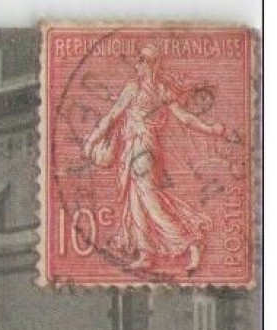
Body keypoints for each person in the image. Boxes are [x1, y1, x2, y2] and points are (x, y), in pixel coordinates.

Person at [81, 41, 226, 273]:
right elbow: (113, 117)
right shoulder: (152, 90)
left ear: (150, 65)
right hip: (133, 149)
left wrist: (210, 129)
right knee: (135, 200)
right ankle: (146, 253)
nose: (136, 65)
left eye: (140, 61)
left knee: (149, 200)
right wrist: (92, 139)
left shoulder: (147, 89)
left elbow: (184, 118)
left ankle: (191, 241)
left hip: (143, 149)